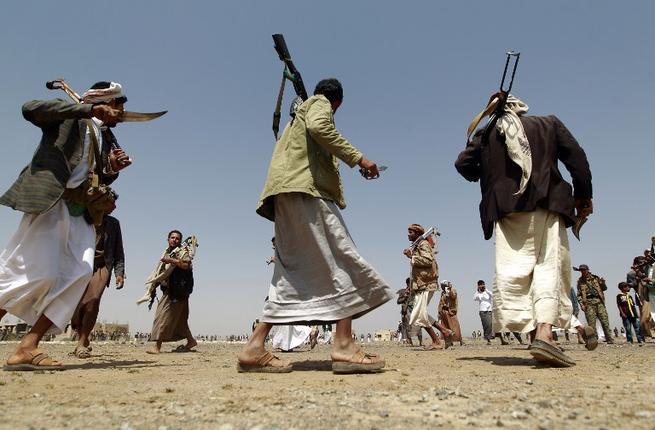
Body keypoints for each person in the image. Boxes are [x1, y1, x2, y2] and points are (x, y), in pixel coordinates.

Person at [238, 79, 393, 374]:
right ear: (338, 103)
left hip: (285, 194)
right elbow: (322, 129)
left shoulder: (298, 116)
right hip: (305, 192)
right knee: (343, 257)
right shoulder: (319, 105)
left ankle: (254, 347)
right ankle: (344, 345)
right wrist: (360, 159)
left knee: (291, 274)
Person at [0, 82, 132, 370]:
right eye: (118, 108)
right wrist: (85, 109)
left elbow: (91, 174)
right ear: (103, 103)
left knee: (79, 273)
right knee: (31, 272)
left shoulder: (100, 135)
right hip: (53, 203)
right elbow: (30, 109)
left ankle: (28, 347)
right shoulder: (70, 115)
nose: (121, 115)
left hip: (81, 211)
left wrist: (111, 168)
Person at [456, 90, 593, 367]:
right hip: (547, 203)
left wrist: (489, 171)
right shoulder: (548, 124)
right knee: (547, 267)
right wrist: (583, 197)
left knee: (514, 272)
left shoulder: (487, 132)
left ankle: (535, 337)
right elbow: (577, 159)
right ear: (520, 107)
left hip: (507, 211)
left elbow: (463, 165)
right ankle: (544, 333)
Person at [70, 207, 125, 358]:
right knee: (77, 303)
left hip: (102, 266)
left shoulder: (113, 224)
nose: (113, 207)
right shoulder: (81, 216)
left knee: (93, 299)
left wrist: (119, 273)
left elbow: (118, 249)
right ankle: (82, 335)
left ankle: (81, 343)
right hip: (80, 264)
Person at [146, 230, 197, 354]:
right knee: (180, 320)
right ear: (168, 239)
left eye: (177, 238)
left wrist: (172, 261)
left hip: (178, 291)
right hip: (171, 290)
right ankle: (191, 341)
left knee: (162, 316)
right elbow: (162, 272)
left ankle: (157, 347)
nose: (175, 240)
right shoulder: (167, 253)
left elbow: (187, 265)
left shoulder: (182, 252)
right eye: (172, 238)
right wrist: (153, 288)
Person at [404, 224, 454, 350]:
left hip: (426, 284)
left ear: (417, 233)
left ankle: (437, 340)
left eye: (410, 232)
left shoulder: (423, 244)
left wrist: (412, 257)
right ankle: (445, 332)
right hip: (421, 285)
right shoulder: (418, 246)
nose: (408, 234)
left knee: (418, 314)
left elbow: (428, 261)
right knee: (420, 314)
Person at [575, 264, 614, 344]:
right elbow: (579, 295)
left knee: (605, 321)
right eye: (581, 270)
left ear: (588, 270)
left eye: (584, 270)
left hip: (599, 302)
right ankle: (594, 340)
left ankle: (609, 339)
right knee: (591, 324)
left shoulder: (595, 278)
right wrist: (582, 305)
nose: (583, 272)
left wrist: (603, 283)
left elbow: (604, 288)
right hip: (588, 304)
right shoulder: (580, 281)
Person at [438, 280, 463, 345]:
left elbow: (454, 296)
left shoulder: (452, 290)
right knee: (446, 326)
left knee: (454, 326)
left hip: (451, 311)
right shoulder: (442, 293)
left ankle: (459, 340)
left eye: (442, 286)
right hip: (444, 311)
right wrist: (439, 311)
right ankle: (448, 341)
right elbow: (441, 302)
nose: (441, 287)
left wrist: (449, 291)